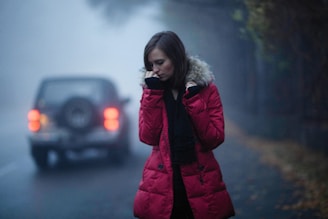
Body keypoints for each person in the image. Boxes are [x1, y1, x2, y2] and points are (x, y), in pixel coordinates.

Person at [133, 31, 235, 219]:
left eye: (160, 62)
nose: (155, 69)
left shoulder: (205, 88)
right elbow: (148, 137)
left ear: (176, 58)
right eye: (151, 64)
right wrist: (152, 95)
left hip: (200, 179)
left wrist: (195, 100)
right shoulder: (151, 90)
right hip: (163, 182)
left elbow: (214, 138)